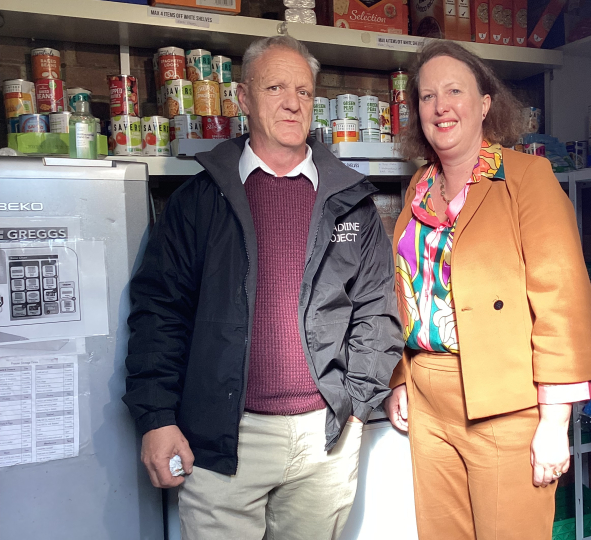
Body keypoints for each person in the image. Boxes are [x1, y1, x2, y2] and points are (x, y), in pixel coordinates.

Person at [122, 36, 402, 540]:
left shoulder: (351, 203)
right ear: (243, 98)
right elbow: (159, 313)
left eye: (304, 91)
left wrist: (356, 407)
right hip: (223, 439)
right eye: (275, 87)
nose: (293, 102)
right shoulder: (199, 201)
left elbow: (377, 311)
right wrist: (157, 417)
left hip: (325, 440)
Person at [384, 40, 591, 540]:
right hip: (428, 401)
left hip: (506, 404)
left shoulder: (526, 177)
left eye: (454, 91)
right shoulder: (419, 188)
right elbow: (407, 292)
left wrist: (554, 424)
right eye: (426, 96)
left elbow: (561, 302)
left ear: (485, 103)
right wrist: (400, 375)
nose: (440, 106)